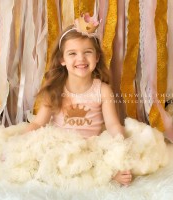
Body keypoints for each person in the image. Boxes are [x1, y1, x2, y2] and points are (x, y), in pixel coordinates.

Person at [21, 13, 132, 186]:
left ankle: (107, 174)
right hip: (61, 145)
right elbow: (38, 124)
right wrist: (20, 144)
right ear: (62, 60)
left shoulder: (102, 90)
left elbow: (112, 124)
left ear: (96, 57)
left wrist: (120, 147)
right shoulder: (55, 90)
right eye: (72, 53)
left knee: (99, 158)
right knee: (44, 156)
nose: (80, 59)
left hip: (89, 146)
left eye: (87, 52)